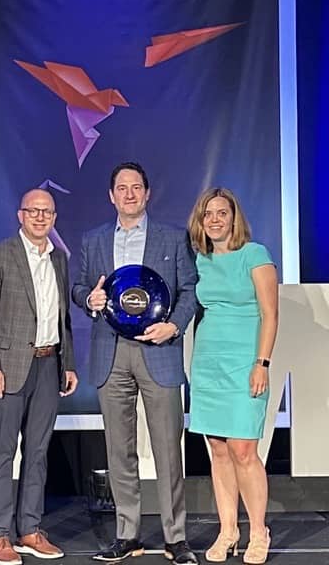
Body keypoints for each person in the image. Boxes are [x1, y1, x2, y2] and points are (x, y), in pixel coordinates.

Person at [72, 162, 199, 564]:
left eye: (136, 187)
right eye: (121, 188)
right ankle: (127, 534)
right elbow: (78, 286)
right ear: (111, 196)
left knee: (167, 448)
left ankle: (175, 537)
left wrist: (174, 328)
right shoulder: (92, 241)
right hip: (111, 353)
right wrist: (87, 300)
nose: (129, 194)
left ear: (147, 194)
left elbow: (190, 290)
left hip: (158, 352)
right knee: (118, 450)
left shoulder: (173, 238)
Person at [0, 188, 79, 565]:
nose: (39, 217)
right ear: (20, 215)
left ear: (54, 217)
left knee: (37, 453)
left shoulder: (59, 260)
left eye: (46, 211)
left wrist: (69, 364)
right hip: (7, 369)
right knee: (2, 454)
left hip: (48, 366)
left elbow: (63, 320)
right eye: (32, 211)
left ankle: (30, 529)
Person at [186, 188, 279, 565]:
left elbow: (270, 314)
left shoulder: (255, 255)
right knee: (219, 450)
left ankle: (259, 531)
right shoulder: (200, 260)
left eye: (221, 213)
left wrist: (262, 363)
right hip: (208, 361)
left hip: (245, 361)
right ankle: (228, 531)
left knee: (244, 449)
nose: (214, 219)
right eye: (208, 214)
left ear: (234, 217)